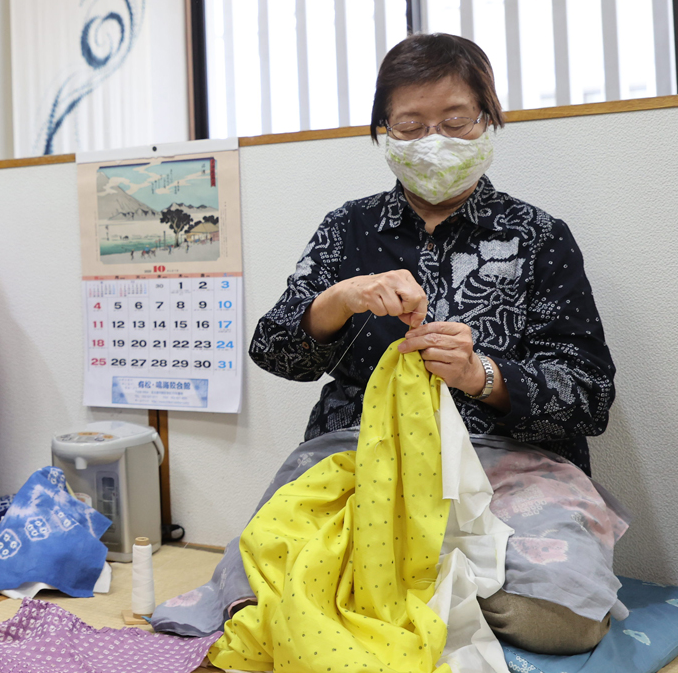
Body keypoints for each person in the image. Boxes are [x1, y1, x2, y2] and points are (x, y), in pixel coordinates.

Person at [151, 33, 626, 655]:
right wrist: (336, 302)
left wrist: (484, 374)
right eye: (410, 125)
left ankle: (387, 595)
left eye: (456, 121)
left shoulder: (539, 237)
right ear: (383, 132)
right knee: (255, 581)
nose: (434, 141)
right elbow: (274, 351)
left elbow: (590, 395)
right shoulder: (348, 228)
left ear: (489, 119)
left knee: (566, 615)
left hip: (507, 461)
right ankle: (419, 594)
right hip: (358, 454)